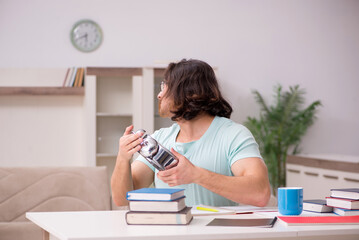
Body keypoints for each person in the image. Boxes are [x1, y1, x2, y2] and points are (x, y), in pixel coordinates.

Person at [111, 59, 271, 207]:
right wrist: (122, 158)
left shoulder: (234, 135)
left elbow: (260, 194)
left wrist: (196, 175)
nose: (159, 95)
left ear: (190, 93)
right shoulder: (160, 138)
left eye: (165, 87)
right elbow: (121, 198)